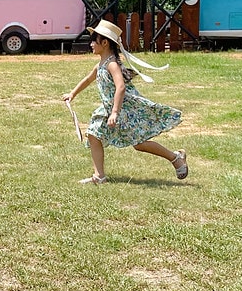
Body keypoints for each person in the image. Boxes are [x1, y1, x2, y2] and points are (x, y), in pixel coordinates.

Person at [62, 19, 187, 185]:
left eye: (94, 40)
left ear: (105, 42)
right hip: (108, 109)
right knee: (93, 134)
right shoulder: (100, 64)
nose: (91, 44)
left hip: (124, 109)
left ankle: (176, 157)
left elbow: (120, 87)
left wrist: (115, 112)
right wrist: (72, 94)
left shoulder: (112, 64)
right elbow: (87, 79)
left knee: (139, 143)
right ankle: (99, 176)